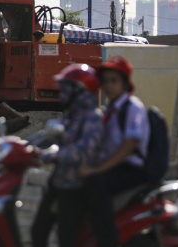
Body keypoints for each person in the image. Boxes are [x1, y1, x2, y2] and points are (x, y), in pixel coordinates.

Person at [79, 55, 150, 247]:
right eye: (105, 81)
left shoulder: (133, 108)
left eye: (114, 81)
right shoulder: (109, 109)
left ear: (125, 84)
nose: (109, 86)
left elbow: (129, 147)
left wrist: (98, 169)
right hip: (114, 164)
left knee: (94, 183)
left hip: (131, 168)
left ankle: (107, 241)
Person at [31, 64, 104, 247]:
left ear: (79, 91)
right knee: (38, 231)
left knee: (66, 236)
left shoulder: (93, 118)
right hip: (59, 181)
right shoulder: (71, 116)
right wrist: (25, 145)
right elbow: (49, 135)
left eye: (66, 89)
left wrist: (54, 154)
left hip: (77, 187)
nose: (61, 94)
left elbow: (84, 150)